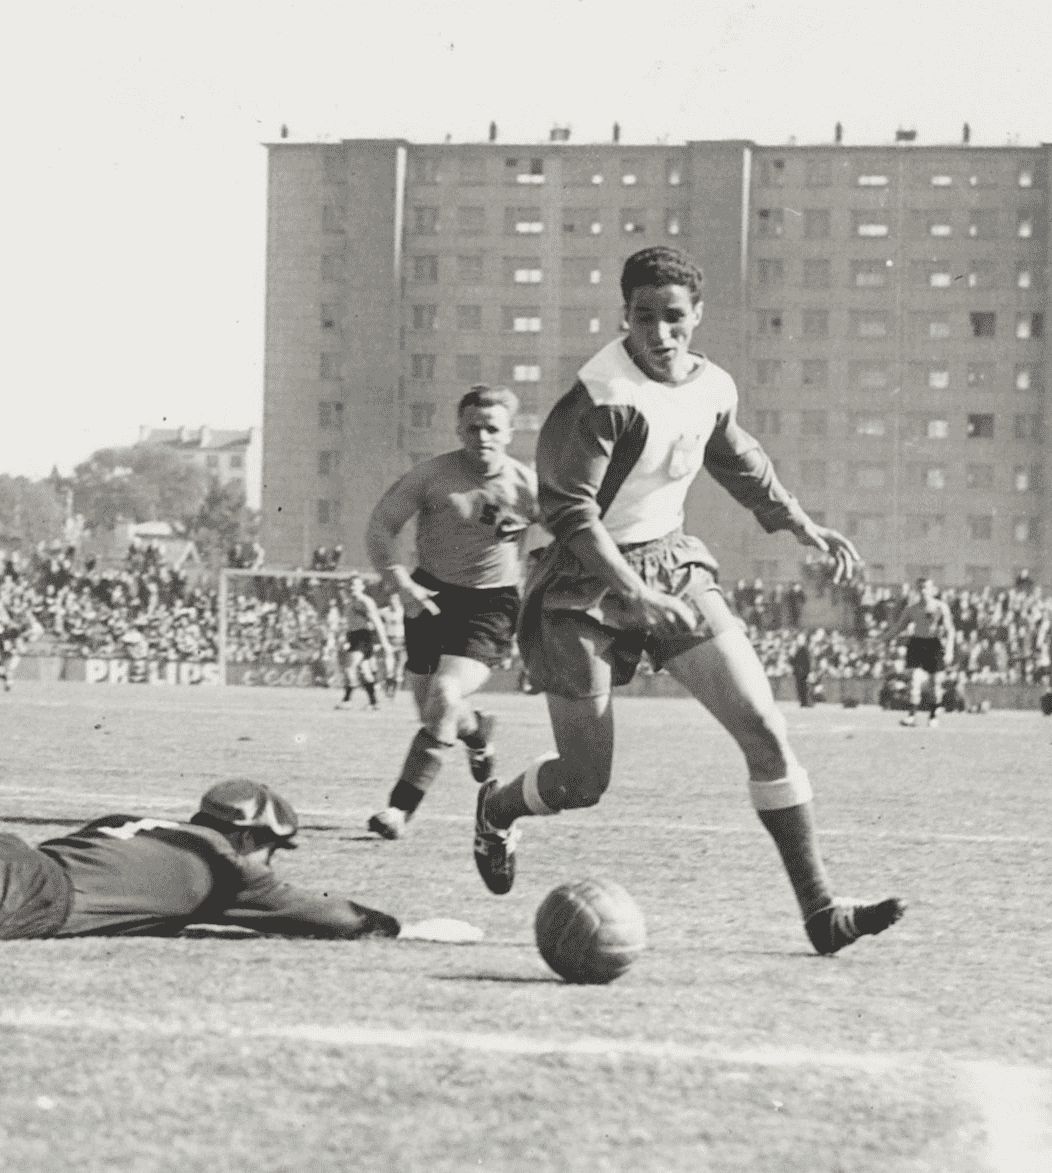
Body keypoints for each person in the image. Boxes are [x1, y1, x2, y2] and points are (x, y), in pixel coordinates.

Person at [471, 246, 905, 956]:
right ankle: (495, 807)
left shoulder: (712, 384)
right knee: (584, 783)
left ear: (697, 315)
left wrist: (799, 521)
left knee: (764, 726)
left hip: (673, 566)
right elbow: (573, 516)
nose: (661, 333)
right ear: (625, 315)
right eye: (645, 317)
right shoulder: (600, 397)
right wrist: (632, 592)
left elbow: (736, 455)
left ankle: (822, 911)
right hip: (585, 585)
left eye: (675, 317)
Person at [364, 385, 540, 839]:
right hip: (428, 596)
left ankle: (398, 811)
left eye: (492, 428)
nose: (482, 436)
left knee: (444, 693)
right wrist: (400, 584)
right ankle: (477, 732)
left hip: (491, 604)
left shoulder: (527, 486)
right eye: (472, 427)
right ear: (458, 428)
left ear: (510, 431)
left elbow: (570, 536)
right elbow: (381, 525)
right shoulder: (432, 476)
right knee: (434, 711)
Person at [0, 778, 400, 940]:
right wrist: (396, 925)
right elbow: (339, 918)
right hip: (34, 893)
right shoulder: (226, 866)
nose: (270, 866)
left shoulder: (130, 823)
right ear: (246, 836)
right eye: (271, 852)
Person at [882, 577, 956, 727]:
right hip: (917, 644)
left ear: (932, 589)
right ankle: (911, 716)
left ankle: (933, 716)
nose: (923, 591)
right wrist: (883, 638)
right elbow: (899, 627)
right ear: (917, 590)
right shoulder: (912, 608)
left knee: (935, 684)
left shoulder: (940, 607)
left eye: (926, 588)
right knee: (914, 680)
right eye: (920, 588)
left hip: (934, 645)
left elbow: (950, 630)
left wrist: (949, 651)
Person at [335, 574, 392, 711]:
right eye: (350, 584)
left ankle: (346, 701)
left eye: (355, 584)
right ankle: (373, 703)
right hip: (354, 637)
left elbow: (376, 621)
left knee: (349, 668)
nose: (352, 587)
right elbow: (350, 623)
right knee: (364, 671)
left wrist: (385, 643)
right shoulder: (350, 602)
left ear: (362, 587)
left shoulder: (364, 601)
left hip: (362, 637)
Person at [789, 632, 813, 708]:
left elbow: (807, 662)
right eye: (798, 639)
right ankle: (803, 702)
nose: (799, 641)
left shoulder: (805, 649)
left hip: (803, 672)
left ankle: (805, 702)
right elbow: (793, 662)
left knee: (804, 688)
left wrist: (809, 672)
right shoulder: (798, 649)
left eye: (801, 639)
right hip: (798, 672)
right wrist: (791, 656)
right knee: (800, 688)